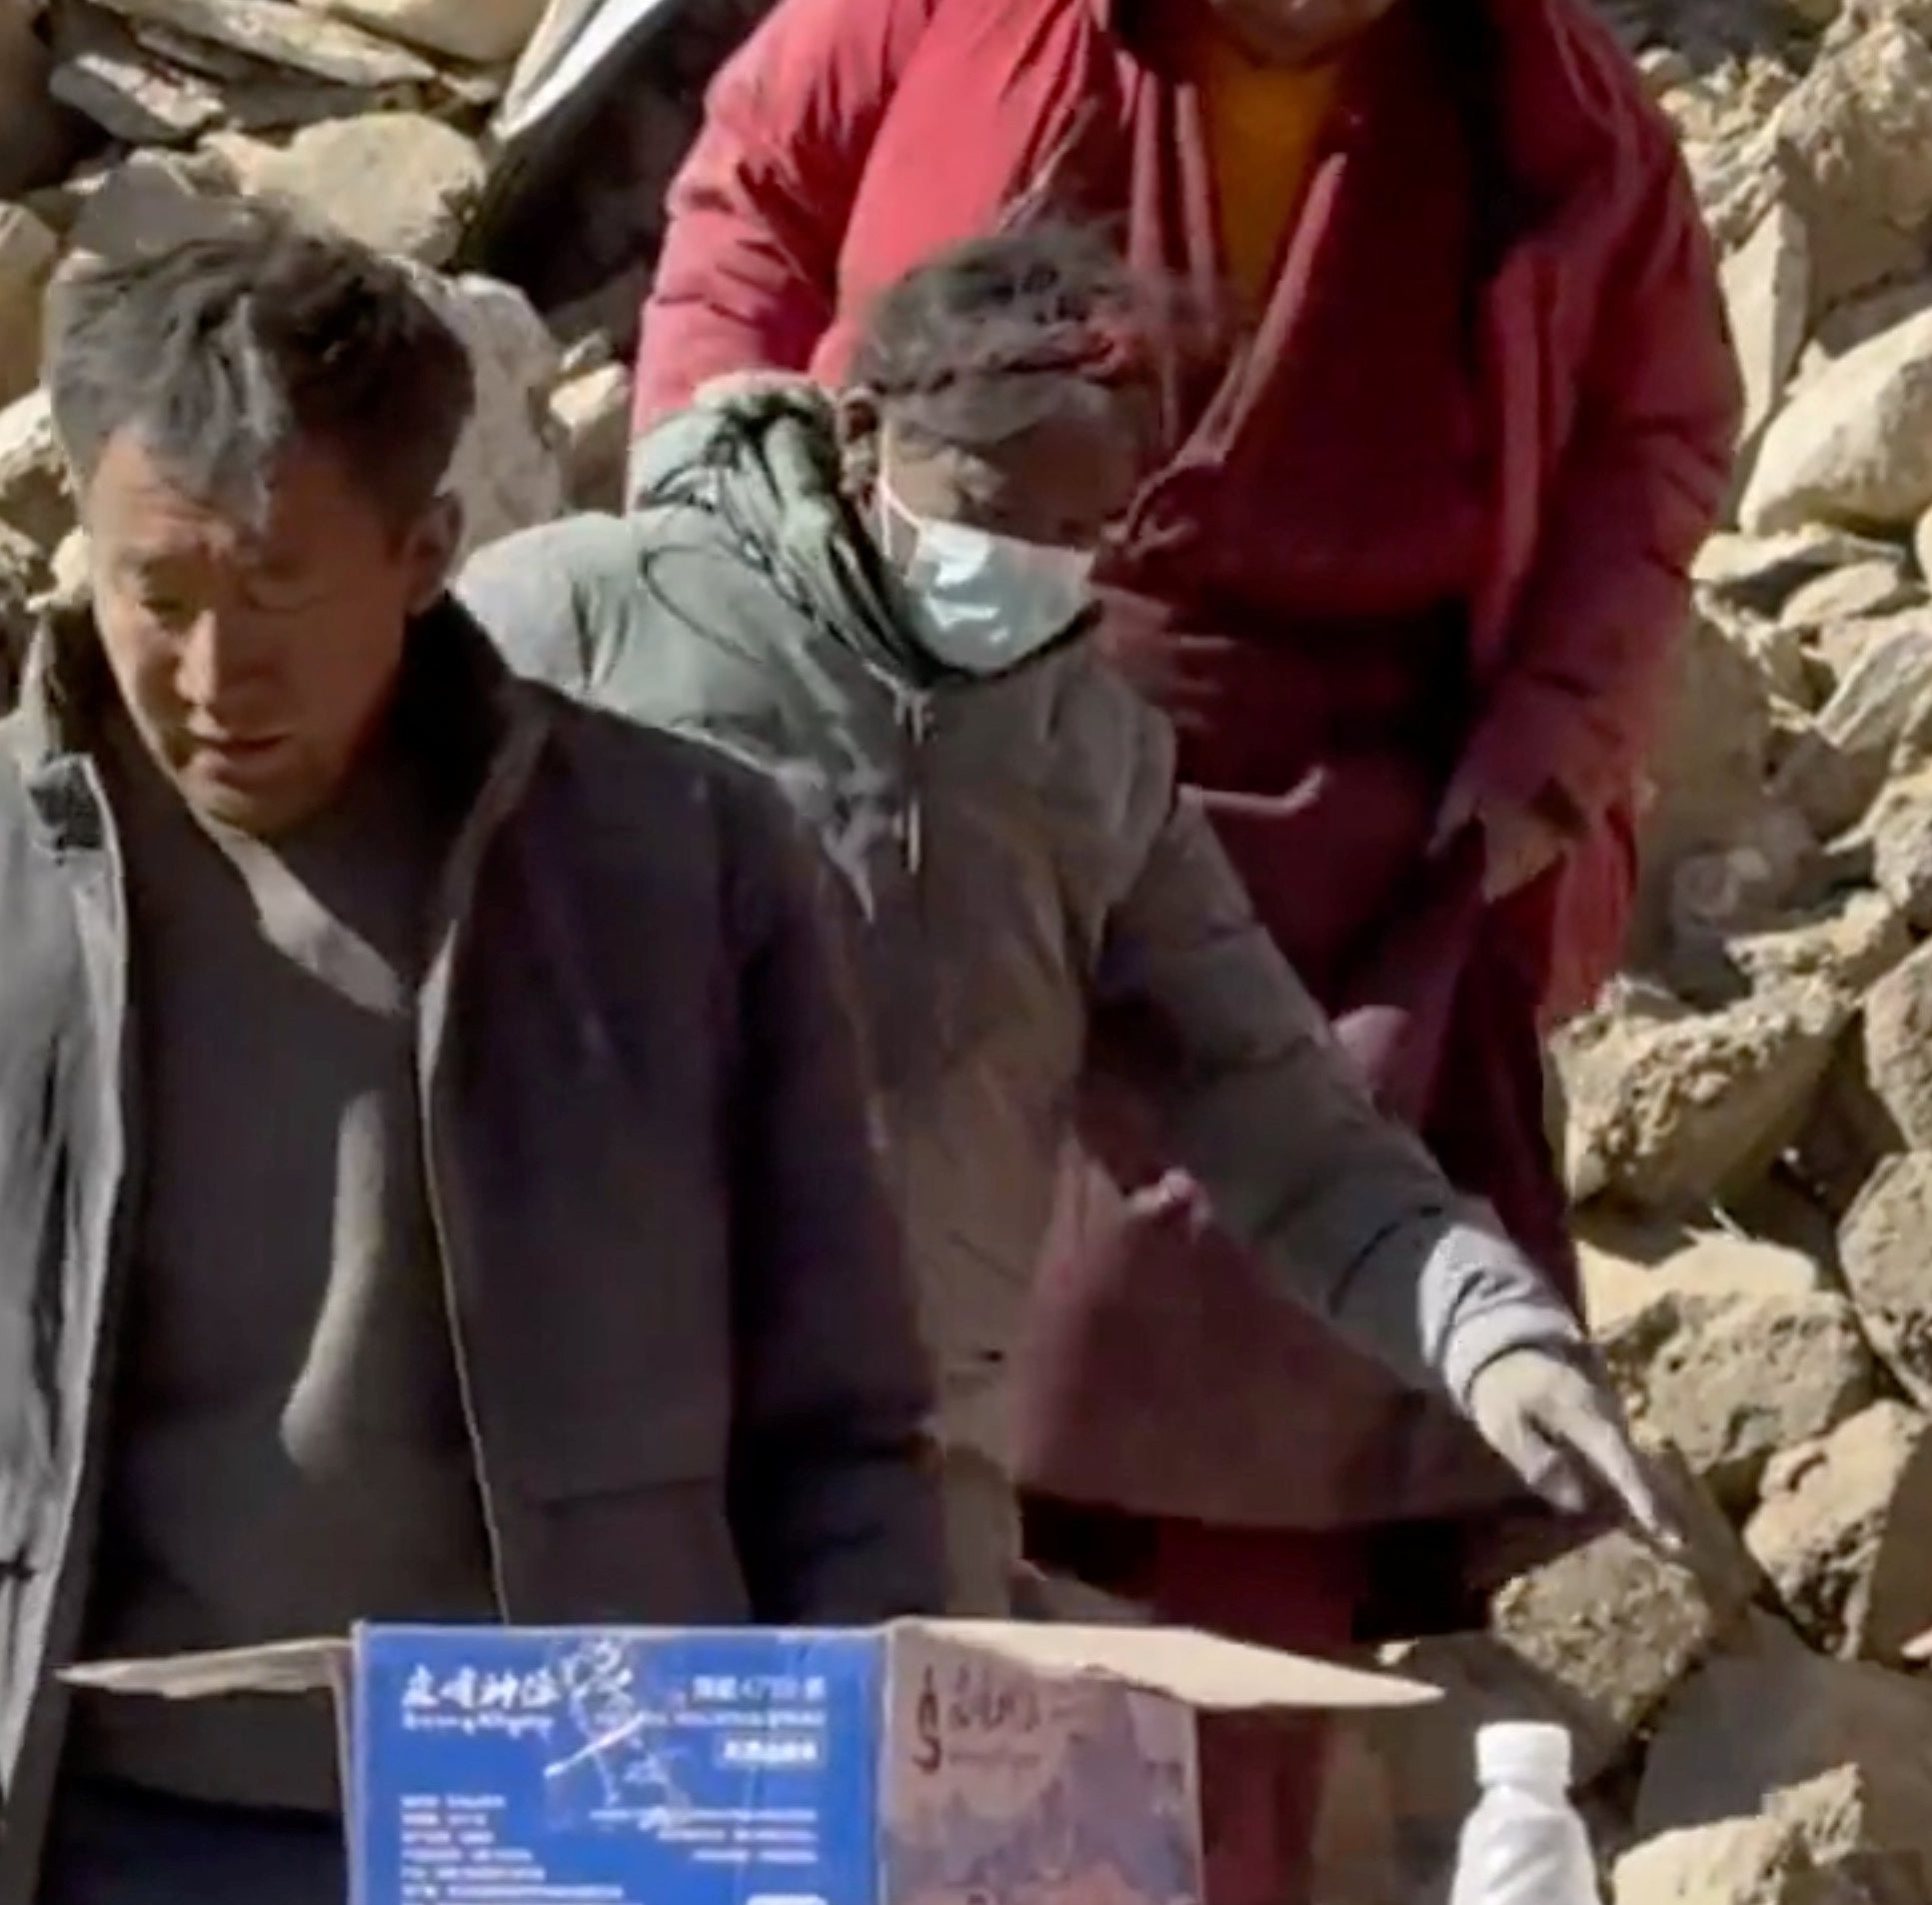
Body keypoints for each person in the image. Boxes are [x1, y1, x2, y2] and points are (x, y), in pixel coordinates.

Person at [632, 0, 1737, 1905]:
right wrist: (708, 511)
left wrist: (1556, 734)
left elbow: (1653, 431)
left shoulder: (1530, 88)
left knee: (1284, 1347)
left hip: (1343, 786)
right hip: (955, 713)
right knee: (901, 1304)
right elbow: (750, 186)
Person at [0, 222, 945, 1905]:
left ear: (424, 559)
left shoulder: (690, 879)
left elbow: (842, 1427)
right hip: (46, 1869)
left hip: (580, 1863)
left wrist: (874, 1828)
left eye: (278, 593)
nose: (212, 671)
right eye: (154, 593)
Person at [462, 226, 1693, 1599]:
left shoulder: (1090, 763)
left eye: (1078, 531)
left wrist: (1490, 1335)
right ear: (865, 434)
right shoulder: (579, 624)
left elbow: (1276, 1110)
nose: (1029, 560)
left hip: (901, 1496)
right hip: (565, 1474)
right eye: (993, 503)